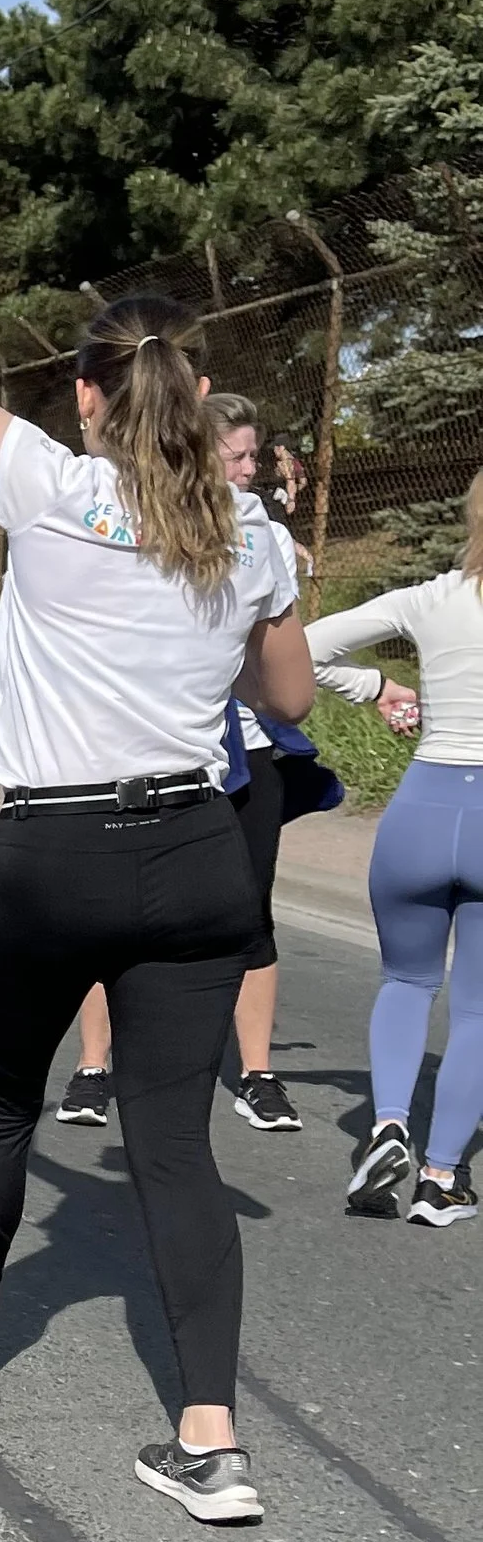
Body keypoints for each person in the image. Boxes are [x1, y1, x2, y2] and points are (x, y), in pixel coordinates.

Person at [0, 54, 313, 1525]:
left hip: (52, 848)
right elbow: (286, 700)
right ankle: (208, 1440)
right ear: (198, 401)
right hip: (196, 850)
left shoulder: (55, 489)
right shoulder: (248, 530)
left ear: (84, 395)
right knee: (173, 1146)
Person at [55, 393, 337, 1138]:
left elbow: (287, 663)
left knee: (252, 915)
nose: (249, 469)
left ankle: (257, 1072)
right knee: (112, 914)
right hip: (164, 752)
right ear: (196, 452)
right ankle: (93, 1065)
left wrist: (365, 683)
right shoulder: (147, 522)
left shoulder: (262, 536)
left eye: (253, 455)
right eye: (235, 455)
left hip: (250, 752)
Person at [308, 476, 483, 1225]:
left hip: (419, 808)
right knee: (477, 1010)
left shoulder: (430, 597)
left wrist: (378, 684)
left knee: (407, 981)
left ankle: (386, 1126)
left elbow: (308, 648)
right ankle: (442, 1179)